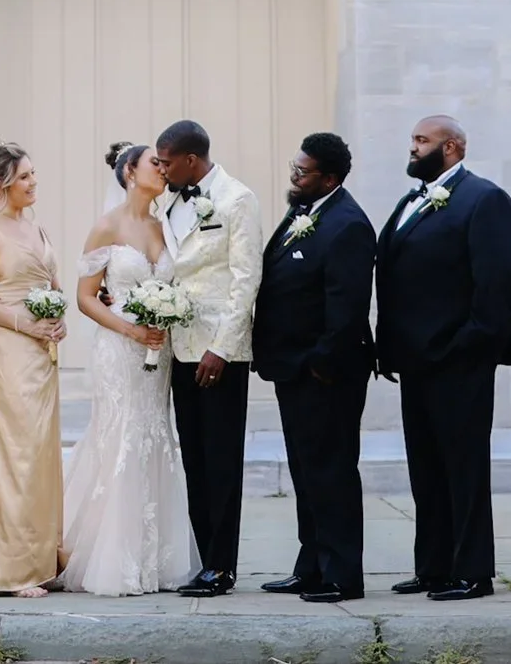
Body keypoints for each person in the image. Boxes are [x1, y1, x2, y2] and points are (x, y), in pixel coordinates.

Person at [374, 114, 511, 602]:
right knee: (427, 470)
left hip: (459, 362)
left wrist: (467, 346)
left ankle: (473, 571)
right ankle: (433, 566)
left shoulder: (484, 200)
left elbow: (496, 286)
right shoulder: (410, 201)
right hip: (416, 363)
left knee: (463, 469)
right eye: (413, 139)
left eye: (422, 140)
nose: (413, 148)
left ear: (452, 147)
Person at [60, 141, 198, 596]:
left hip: (159, 353)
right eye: (153, 164)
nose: (162, 169)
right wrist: (130, 330)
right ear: (129, 173)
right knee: (121, 435)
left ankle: (153, 558)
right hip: (120, 350)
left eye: (163, 163)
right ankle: (112, 559)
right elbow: (84, 297)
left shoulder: (166, 226)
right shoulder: (106, 227)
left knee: (155, 434)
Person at [253, 132, 376, 603]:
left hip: (326, 374)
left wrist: (320, 365)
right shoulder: (303, 212)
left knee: (332, 472)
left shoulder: (347, 224)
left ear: (329, 178)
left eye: (302, 172)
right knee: (307, 473)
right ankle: (312, 566)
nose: (293, 176)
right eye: (294, 167)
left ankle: (343, 575)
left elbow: (346, 307)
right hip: (293, 369)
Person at [153, 118, 262, 598]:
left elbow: (245, 280)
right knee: (194, 459)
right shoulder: (168, 202)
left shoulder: (237, 199)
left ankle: (223, 565)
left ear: (191, 160)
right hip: (179, 346)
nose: (160, 168)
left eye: (165, 161)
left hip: (220, 354)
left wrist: (222, 347)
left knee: (221, 460)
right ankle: (203, 558)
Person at [0, 137, 67, 596]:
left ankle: (43, 557)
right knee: (14, 451)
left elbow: (51, 281)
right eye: (24, 176)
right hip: (8, 348)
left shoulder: (36, 226)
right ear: (1, 184)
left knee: (41, 453)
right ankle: (11, 568)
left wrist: (58, 316)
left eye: (33, 174)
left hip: (44, 353)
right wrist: (27, 323)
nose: (33, 181)